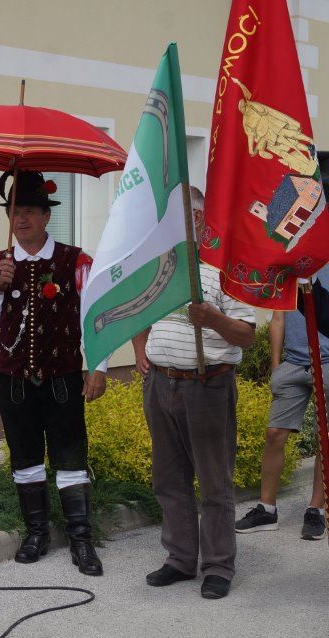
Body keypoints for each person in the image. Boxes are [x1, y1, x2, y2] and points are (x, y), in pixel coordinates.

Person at [0, 170, 107, 577]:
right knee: (25, 456)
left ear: (46, 216)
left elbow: (96, 316)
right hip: (11, 379)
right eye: (14, 212)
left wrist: (98, 366)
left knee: (71, 456)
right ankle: (36, 533)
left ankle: (81, 539)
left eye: (29, 211)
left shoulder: (75, 261)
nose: (21, 219)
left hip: (62, 376)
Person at [133, 186, 255, 600]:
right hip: (160, 383)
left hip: (207, 385)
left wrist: (213, 319)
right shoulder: (162, 267)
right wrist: (141, 352)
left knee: (214, 479)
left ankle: (218, 565)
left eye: (177, 217)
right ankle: (180, 558)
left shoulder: (228, 269)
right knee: (168, 477)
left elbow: (247, 335)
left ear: (199, 219)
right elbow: (139, 312)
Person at [234, 302, 326, 540]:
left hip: (327, 362)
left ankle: (316, 510)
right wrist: (276, 367)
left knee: (324, 438)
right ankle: (267, 510)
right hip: (293, 363)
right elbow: (278, 318)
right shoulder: (289, 278)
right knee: (275, 433)